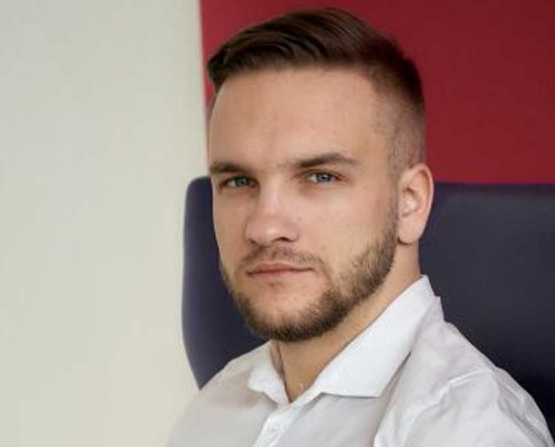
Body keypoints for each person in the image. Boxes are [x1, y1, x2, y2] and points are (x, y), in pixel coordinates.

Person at [169, 7, 554, 447]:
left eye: (320, 177)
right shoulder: (215, 407)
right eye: (238, 181)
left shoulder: (466, 432)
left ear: (409, 203)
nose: (265, 226)